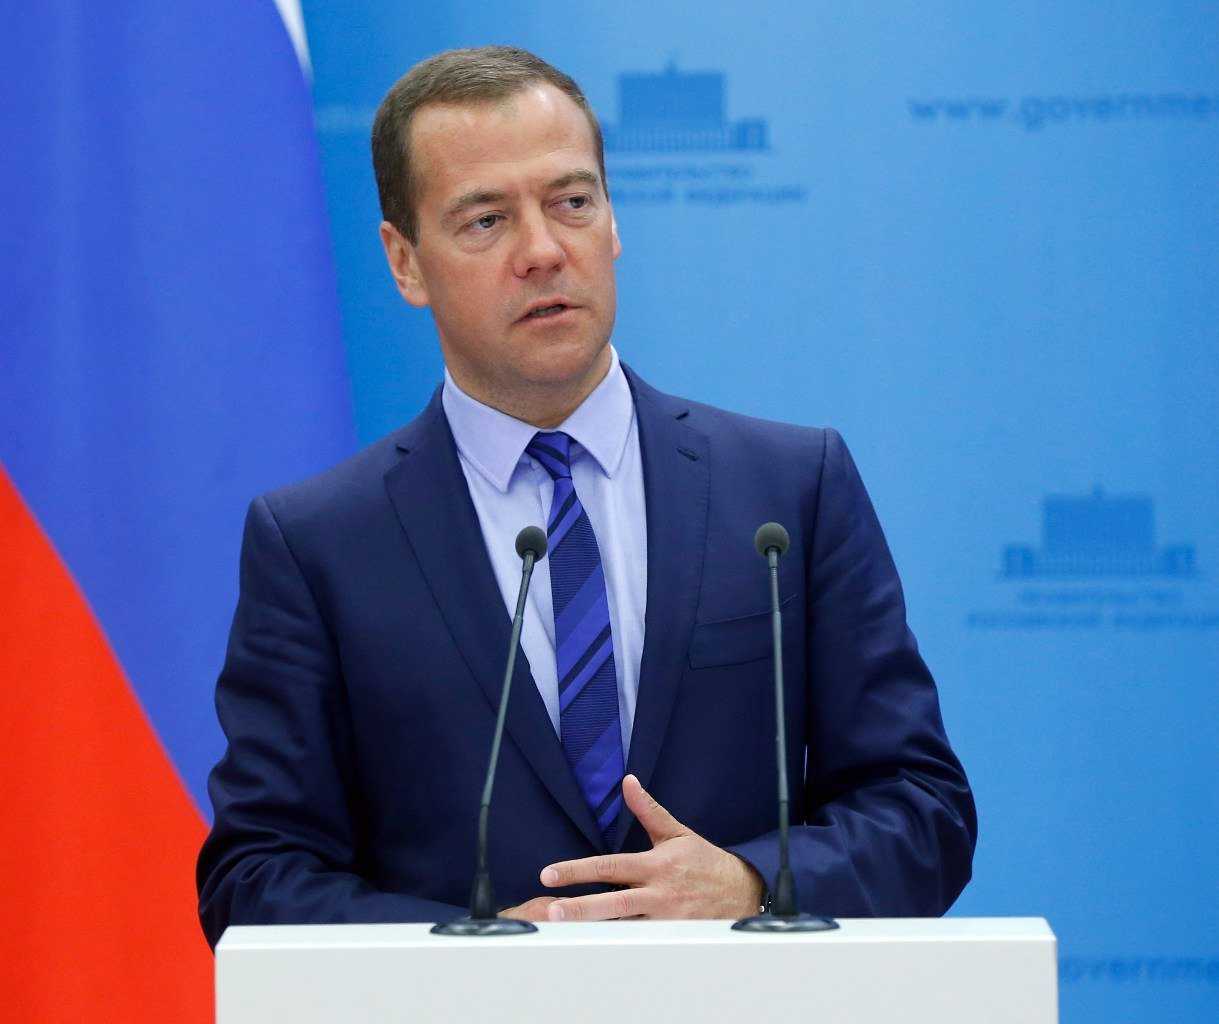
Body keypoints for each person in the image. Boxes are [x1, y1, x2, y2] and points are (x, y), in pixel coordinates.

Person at [196, 46, 976, 945]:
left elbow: (920, 808)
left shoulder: (790, 490)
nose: (542, 251)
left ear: (611, 222)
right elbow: (256, 878)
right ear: (405, 263)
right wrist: (471, 952)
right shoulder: (319, 544)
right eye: (486, 220)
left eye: (571, 202)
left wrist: (751, 884)